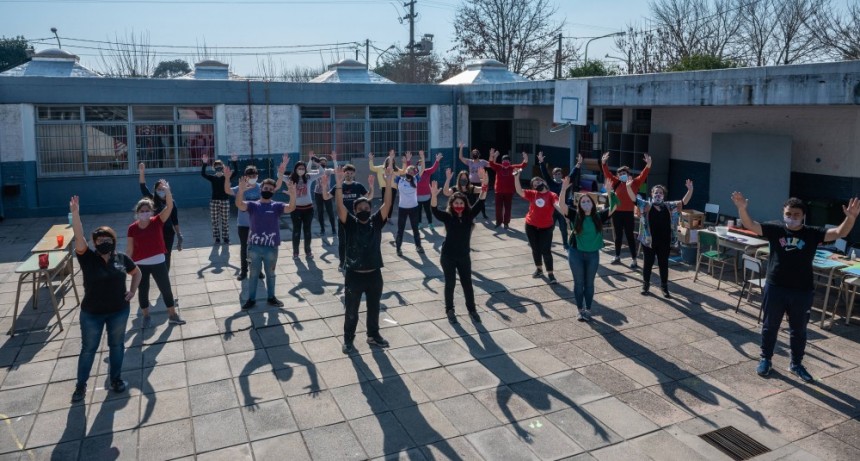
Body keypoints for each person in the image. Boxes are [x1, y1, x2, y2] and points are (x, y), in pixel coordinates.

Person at [731, 192, 859, 382]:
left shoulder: (812, 233)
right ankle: (765, 359)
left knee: (799, 330)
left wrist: (850, 218)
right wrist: (742, 209)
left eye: (796, 215)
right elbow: (751, 225)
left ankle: (796, 364)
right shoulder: (775, 229)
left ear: (803, 216)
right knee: (769, 326)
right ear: (784, 213)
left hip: (802, 290)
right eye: (788, 214)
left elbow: (840, 233)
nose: (791, 218)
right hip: (775, 287)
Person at [69, 196, 141, 402]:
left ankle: (116, 380)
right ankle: (80, 387)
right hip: (92, 314)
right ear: (94, 243)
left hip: (118, 311)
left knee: (117, 347)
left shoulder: (121, 258)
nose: (103, 243)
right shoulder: (87, 258)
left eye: (107, 240)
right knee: (88, 350)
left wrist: (132, 291)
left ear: (113, 241)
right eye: (99, 241)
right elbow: (79, 236)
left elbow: (137, 273)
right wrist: (75, 214)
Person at [326, 165, 394, 354]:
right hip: (354, 275)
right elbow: (339, 206)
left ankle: (373, 335)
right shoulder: (349, 223)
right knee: (351, 311)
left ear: (370, 208)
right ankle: (348, 339)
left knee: (374, 308)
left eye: (366, 207)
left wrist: (388, 183)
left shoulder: (376, 222)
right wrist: (338, 185)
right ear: (355, 211)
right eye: (360, 208)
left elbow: (387, 204)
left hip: (374, 274)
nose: (364, 210)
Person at [430, 170, 489, 324]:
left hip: (464, 256)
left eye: (461, 203)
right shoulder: (448, 216)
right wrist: (434, 196)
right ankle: (450, 309)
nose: (458, 205)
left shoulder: (470, 215)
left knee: (467, 284)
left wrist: (485, 183)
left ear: (465, 204)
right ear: (451, 204)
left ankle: (472, 309)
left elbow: (481, 200)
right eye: (456, 203)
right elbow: (435, 211)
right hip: (448, 256)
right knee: (450, 284)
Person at [235, 177, 297, 310]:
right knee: (253, 275)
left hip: (271, 248)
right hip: (254, 247)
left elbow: (291, 207)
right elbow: (240, 205)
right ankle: (251, 299)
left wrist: (293, 194)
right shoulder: (253, 205)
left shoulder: (277, 206)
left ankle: (271, 297)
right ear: (261, 189)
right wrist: (240, 191)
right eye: (265, 188)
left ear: (273, 191)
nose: (267, 190)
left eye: (270, 189)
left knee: (271, 274)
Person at [127, 183, 184, 328]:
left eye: (147, 210)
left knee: (166, 288)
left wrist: (168, 192)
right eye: (142, 210)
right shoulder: (132, 228)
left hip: (158, 261)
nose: (145, 212)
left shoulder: (157, 221)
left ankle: (172, 315)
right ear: (137, 212)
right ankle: (146, 316)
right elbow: (129, 250)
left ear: (152, 211)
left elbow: (169, 207)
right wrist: (129, 267)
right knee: (143, 290)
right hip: (140, 265)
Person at [222, 155, 287, 281]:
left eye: (254, 175)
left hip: (258, 224)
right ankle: (244, 271)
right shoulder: (241, 187)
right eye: (250, 175)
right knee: (244, 248)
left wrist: (281, 172)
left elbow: (276, 186)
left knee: (259, 248)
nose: (252, 177)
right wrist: (227, 178)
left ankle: (259, 271)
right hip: (243, 224)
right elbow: (227, 190)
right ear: (245, 176)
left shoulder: (261, 187)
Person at [632, 180, 693, 298]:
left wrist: (690, 190)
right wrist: (629, 186)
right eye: (656, 193)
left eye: (660, 193)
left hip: (664, 241)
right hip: (649, 241)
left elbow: (683, 202)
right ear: (652, 194)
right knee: (647, 264)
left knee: (663, 264)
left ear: (663, 196)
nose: (658, 195)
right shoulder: (646, 205)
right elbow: (634, 199)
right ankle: (645, 285)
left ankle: (664, 287)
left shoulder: (669, 206)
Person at [601, 152, 652, 268]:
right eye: (620, 174)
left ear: (629, 174)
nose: (622, 175)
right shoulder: (616, 182)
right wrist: (603, 163)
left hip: (629, 213)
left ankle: (634, 259)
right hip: (616, 213)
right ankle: (617, 256)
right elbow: (607, 174)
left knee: (629, 236)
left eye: (624, 173)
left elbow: (644, 174)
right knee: (618, 236)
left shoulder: (635, 182)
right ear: (618, 176)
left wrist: (648, 165)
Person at [514, 169, 559, 283]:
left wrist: (564, 212)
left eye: (538, 182)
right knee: (535, 248)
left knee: (546, 250)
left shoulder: (551, 195)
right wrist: (516, 177)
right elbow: (519, 191)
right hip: (531, 225)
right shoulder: (532, 194)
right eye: (535, 185)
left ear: (543, 182)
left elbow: (557, 204)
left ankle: (551, 274)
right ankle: (539, 269)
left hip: (546, 227)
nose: (537, 185)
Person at [330, 164, 374, 271]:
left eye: (351, 173)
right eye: (347, 172)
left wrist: (371, 186)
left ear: (354, 174)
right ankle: (342, 263)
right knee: (343, 242)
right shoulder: (339, 186)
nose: (349, 175)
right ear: (343, 173)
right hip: (342, 218)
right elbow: (327, 196)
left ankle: (357, 261)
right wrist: (323, 186)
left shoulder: (358, 186)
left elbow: (369, 196)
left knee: (357, 240)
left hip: (355, 219)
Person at [138, 162, 182, 271]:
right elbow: (143, 187)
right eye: (159, 189)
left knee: (167, 255)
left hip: (168, 233)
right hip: (154, 232)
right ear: (155, 190)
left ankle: (165, 274)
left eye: (163, 189)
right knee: (155, 255)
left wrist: (179, 235)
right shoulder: (152, 200)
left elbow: (175, 220)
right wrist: (142, 172)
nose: (161, 191)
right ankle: (156, 271)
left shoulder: (171, 202)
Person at [538, 152, 582, 250]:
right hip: (552, 209)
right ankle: (547, 244)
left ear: (562, 174)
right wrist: (541, 162)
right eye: (556, 174)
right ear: (553, 175)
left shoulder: (565, 183)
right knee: (550, 228)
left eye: (560, 173)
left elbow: (572, 175)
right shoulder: (550, 183)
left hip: (562, 209)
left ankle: (565, 244)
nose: (558, 175)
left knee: (563, 228)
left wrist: (578, 164)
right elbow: (545, 173)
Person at [286, 156, 326, 259]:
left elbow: (321, 173)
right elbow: (279, 175)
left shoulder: (308, 177)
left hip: (308, 209)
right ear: (295, 169)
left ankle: (308, 251)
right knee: (296, 230)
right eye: (299, 168)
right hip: (295, 209)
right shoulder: (291, 178)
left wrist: (317, 163)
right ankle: (295, 252)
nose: (301, 170)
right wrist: (284, 165)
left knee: (307, 230)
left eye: (302, 168)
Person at [488, 149, 528, 229]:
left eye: (507, 160)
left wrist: (526, 157)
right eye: (504, 160)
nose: (505, 162)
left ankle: (506, 223)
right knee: (498, 208)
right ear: (502, 161)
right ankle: (498, 222)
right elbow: (491, 163)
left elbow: (523, 165)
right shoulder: (498, 167)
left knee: (508, 208)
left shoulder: (513, 168)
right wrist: (491, 155)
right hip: (498, 192)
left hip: (509, 192)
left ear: (510, 162)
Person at [394, 155, 425, 256]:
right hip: (402, 208)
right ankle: (398, 248)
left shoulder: (416, 179)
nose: (411, 174)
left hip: (414, 208)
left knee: (415, 229)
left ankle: (418, 246)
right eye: (409, 172)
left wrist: (422, 157)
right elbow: (391, 171)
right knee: (400, 229)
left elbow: (423, 169)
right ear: (406, 172)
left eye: (412, 172)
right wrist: (391, 159)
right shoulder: (400, 180)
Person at [200, 154, 231, 244]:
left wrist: (234, 162)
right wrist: (204, 163)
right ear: (214, 168)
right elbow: (203, 174)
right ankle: (217, 238)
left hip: (225, 201)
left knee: (225, 221)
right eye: (216, 166)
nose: (218, 168)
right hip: (214, 201)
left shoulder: (226, 177)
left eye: (220, 166)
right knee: (214, 221)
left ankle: (226, 238)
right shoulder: (213, 178)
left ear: (222, 167)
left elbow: (236, 173)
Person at [457, 141, 490, 220]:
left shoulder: (483, 162)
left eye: (476, 153)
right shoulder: (470, 162)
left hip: (480, 183)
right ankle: (471, 213)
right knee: (471, 200)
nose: (474, 154)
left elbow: (491, 164)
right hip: (471, 184)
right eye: (473, 153)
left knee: (481, 199)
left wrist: (492, 156)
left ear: (478, 155)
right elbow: (461, 157)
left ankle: (484, 214)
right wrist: (461, 147)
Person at [369, 150, 402, 221]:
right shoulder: (381, 168)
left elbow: (403, 171)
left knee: (391, 203)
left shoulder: (395, 169)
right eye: (389, 160)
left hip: (393, 188)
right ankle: (383, 217)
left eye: (392, 160)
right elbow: (372, 168)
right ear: (386, 161)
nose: (390, 161)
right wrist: (371, 160)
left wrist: (406, 162)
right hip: (385, 187)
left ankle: (389, 218)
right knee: (384, 203)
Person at [312, 152, 338, 237]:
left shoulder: (328, 171)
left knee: (330, 212)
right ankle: (322, 229)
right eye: (321, 161)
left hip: (327, 193)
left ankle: (334, 229)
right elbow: (308, 170)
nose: (323, 163)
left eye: (324, 161)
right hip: (318, 193)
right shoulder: (316, 171)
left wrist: (334, 160)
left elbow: (336, 170)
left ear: (326, 163)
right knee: (320, 212)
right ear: (319, 163)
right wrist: (311, 160)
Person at [416, 151, 442, 229]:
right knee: (418, 212)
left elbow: (434, 168)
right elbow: (408, 168)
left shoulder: (427, 171)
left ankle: (430, 224)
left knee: (428, 211)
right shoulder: (415, 173)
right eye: (419, 165)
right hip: (417, 197)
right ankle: (419, 223)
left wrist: (437, 161)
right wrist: (408, 160)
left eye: (422, 164)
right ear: (416, 166)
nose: (420, 166)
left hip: (427, 196)